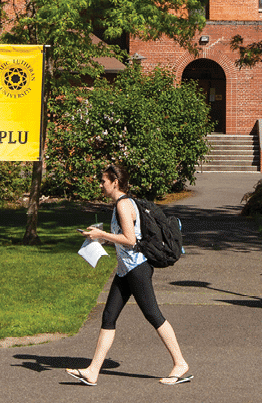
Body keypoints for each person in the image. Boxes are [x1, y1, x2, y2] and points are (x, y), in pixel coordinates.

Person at [66, 162, 192, 387]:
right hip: (125, 270)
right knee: (108, 317)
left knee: (154, 315)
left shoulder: (124, 205)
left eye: (103, 181)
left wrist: (103, 233)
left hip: (137, 269)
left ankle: (180, 363)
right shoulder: (120, 205)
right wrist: (99, 238)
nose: (101, 185)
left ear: (115, 182)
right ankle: (93, 371)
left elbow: (130, 240)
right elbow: (125, 238)